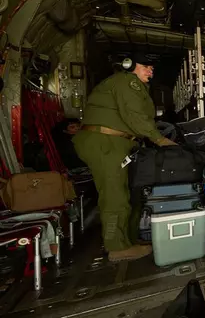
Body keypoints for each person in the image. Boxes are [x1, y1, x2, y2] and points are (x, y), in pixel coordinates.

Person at [73, 52, 177, 262]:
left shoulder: (127, 84)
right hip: (105, 143)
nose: (150, 71)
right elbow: (134, 114)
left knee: (124, 193)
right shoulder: (127, 82)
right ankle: (117, 248)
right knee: (115, 195)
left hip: (112, 143)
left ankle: (128, 240)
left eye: (152, 68)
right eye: (145, 66)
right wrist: (159, 140)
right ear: (129, 65)